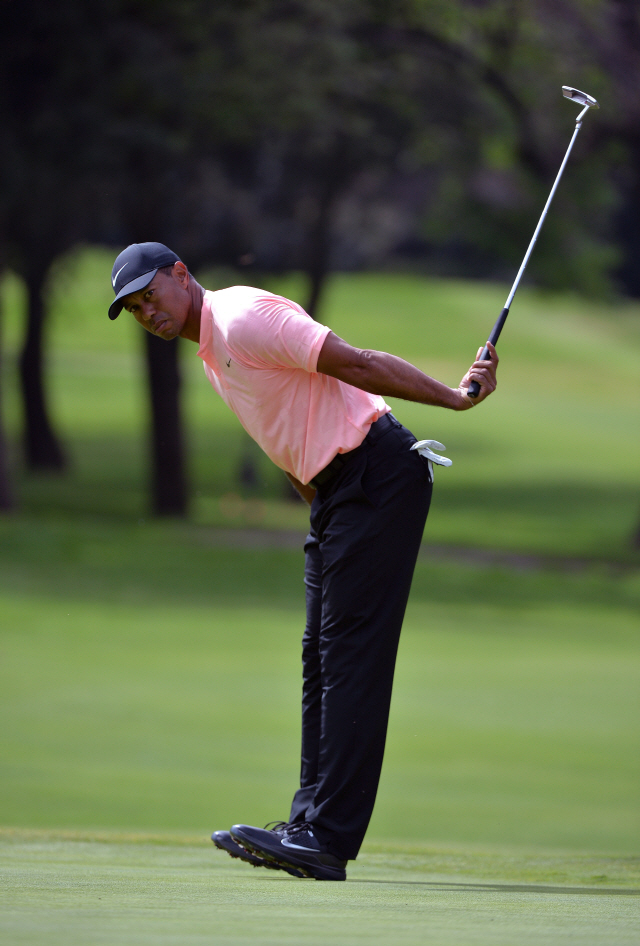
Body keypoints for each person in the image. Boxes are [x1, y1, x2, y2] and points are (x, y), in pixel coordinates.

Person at [109, 241, 498, 881]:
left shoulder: (243, 318)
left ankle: (327, 838)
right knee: (319, 658)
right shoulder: (213, 351)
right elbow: (286, 435)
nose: (147, 312)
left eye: (150, 295)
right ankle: (307, 823)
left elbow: (357, 363)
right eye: (135, 308)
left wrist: (455, 399)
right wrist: (319, 510)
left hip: (378, 474)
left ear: (181, 275)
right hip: (336, 496)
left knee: (350, 658)